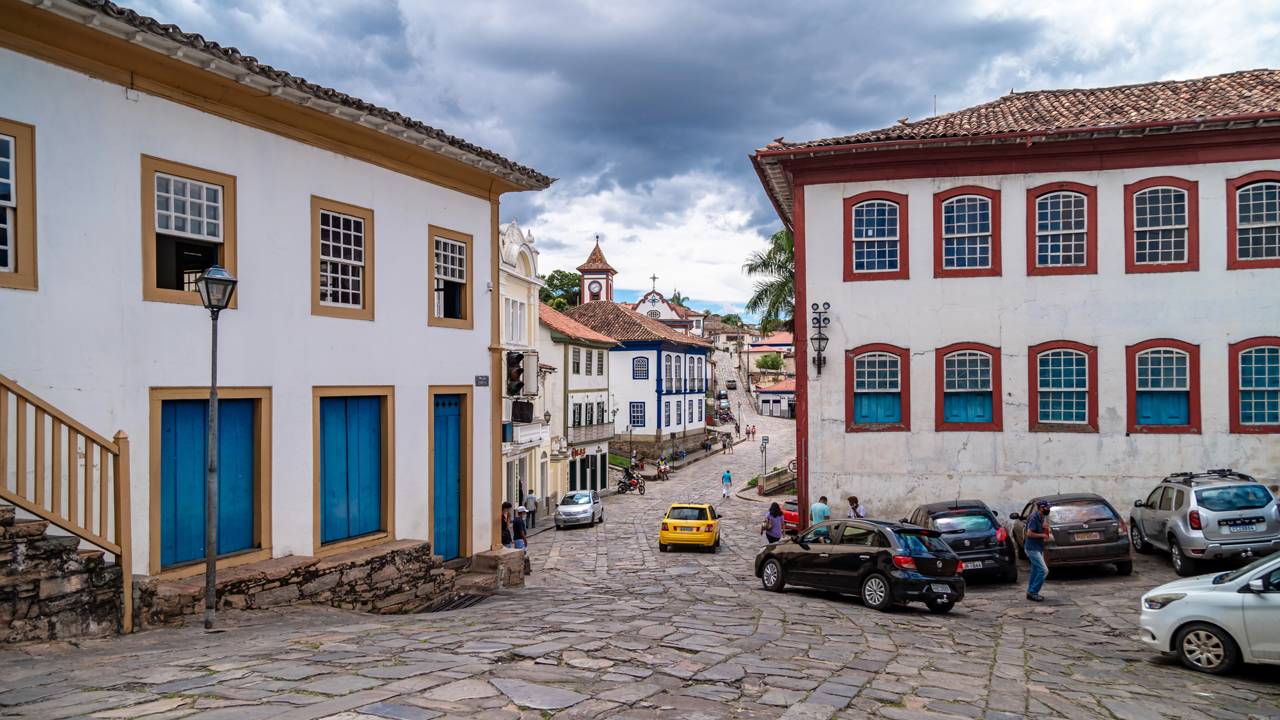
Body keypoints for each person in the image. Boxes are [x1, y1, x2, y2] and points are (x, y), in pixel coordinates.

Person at [1024, 500, 1052, 602]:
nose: (1048, 510)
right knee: (1044, 570)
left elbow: (1044, 533)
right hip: (1032, 548)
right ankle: (1033, 592)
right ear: (1041, 508)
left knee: (1035, 570)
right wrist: (1042, 535)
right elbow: (1029, 533)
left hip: (1038, 547)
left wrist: (1045, 529)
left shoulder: (1042, 517)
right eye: (1046, 508)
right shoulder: (1033, 517)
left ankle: (1030, 592)